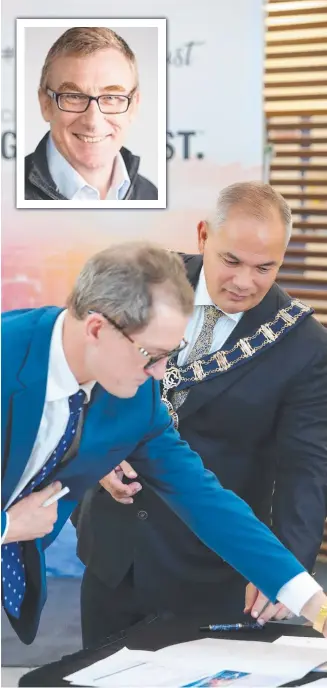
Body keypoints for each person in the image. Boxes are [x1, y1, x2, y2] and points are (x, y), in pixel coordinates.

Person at [2, 242, 327, 647]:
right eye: (151, 355)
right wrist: (9, 526)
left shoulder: (135, 399)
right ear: (97, 329)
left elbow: (204, 498)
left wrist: (316, 606)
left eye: (169, 355)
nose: (160, 374)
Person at [24, 27, 158, 201]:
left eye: (111, 97)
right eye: (73, 96)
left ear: (133, 106)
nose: (93, 121)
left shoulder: (151, 195)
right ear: (45, 105)